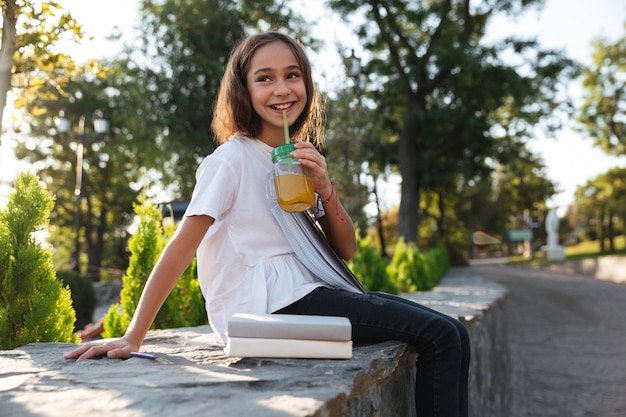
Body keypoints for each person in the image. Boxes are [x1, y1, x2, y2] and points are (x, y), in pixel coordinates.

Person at [65, 30, 470, 417]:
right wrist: (134, 334)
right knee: (440, 336)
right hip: (267, 305)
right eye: (265, 78)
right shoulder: (230, 161)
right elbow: (182, 246)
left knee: (454, 331)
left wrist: (326, 189)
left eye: (292, 75)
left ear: (306, 85)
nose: (282, 89)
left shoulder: (294, 158)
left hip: (307, 291)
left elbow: (345, 250)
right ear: (244, 90)